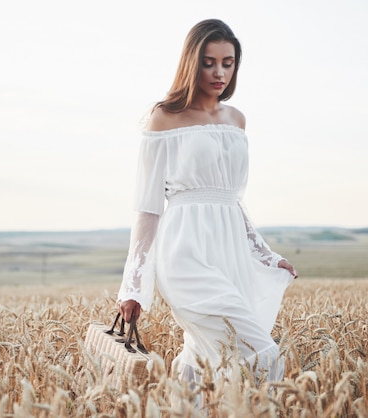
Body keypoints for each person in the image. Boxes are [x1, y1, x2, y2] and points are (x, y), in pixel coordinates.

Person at [117, 18, 297, 394]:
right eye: (209, 62)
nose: (219, 72)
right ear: (191, 63)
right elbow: (149, 209)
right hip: (183, 252)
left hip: (228, 250)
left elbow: (233, 201)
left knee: (198, 358)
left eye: (228, 63)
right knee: (262, 354)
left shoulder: (237, 120)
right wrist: (132, 286)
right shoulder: (164, 117)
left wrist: (266, 255)